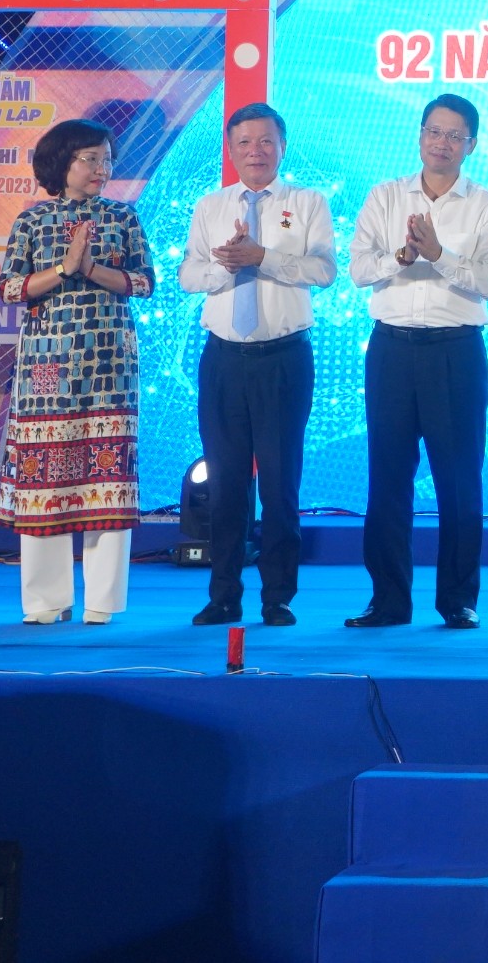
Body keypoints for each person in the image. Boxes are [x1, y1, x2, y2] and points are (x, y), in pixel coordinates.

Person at [347, 93, 488, 629]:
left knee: (458, 480)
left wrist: (439, 254)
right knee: (387, 477)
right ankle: (388, 599)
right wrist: (403, 256)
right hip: (391, 350)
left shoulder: (486, 205)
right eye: (433, 131)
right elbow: (359, 269)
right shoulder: (386, 196)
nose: (441, 143)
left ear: (472, 145)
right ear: (419, 136)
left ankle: (458, 599)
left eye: (454, 135)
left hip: (455, 352)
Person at [177, 102, 335, 628]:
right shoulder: (210, 206)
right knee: (225, 483)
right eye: (244, 143)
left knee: (280, 482)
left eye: (265, 141)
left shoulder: (307, 202)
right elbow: (188, 276)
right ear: (230, 149)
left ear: (282, 146)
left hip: (284, 359)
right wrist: (229, 267)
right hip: (222, 359)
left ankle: (278, 597)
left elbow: (323, 270)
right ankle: (223, 594)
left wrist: (262, 257)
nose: (255, 152)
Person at [0, 119, 153, 625]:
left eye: (106, 159)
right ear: (62, 162)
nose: (101, 169)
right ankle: (46, 602)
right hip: (47, 365)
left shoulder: (123, 217)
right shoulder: (32, 221)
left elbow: (143, 283)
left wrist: (89, 269)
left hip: (110, 361)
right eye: (90, 159)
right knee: (46, 474)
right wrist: (64, 268)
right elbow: (9, 289)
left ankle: (103, 603)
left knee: (107, 476)